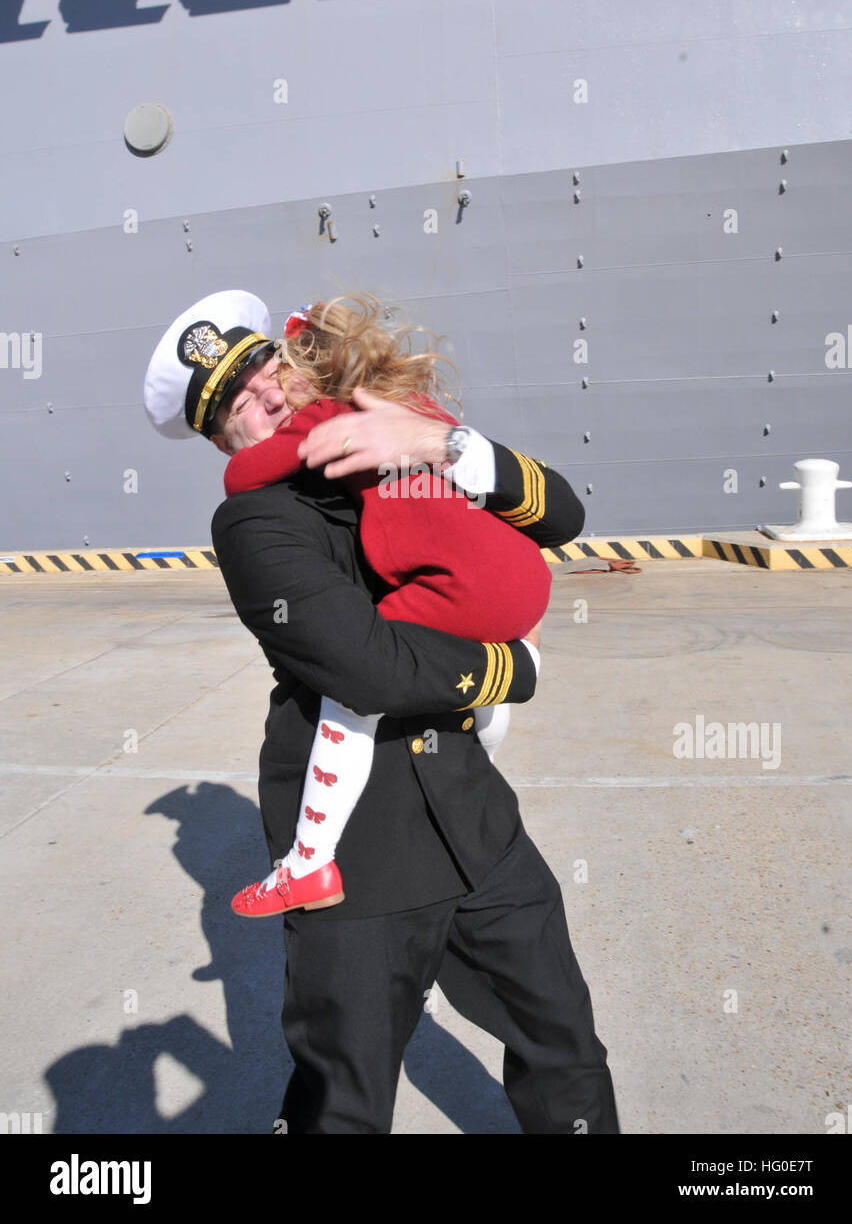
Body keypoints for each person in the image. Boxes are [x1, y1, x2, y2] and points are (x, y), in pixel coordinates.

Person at [143, 289, 620, 1134]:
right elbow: (371, 669)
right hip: (356, 851)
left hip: (474, 818)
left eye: (262, 369)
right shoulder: (255, 521)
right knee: (346, 1101)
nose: (261, 395)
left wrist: (438, 441)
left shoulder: (401, 438)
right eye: (233, 406)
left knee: (566, 1048)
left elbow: (564, 516)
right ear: (221, 441)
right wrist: (513, 667)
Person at [222, 294, 553, 919]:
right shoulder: (413, 407)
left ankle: (309, 861)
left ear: (311, 372)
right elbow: (545, 507)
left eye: (278, 375)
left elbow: (243, 475)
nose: (275, 396)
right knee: (475, 697)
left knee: (354, 692)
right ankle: (476, 753)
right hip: (524, 578)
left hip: (464, 588)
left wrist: (268, 442)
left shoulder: (326, 415)